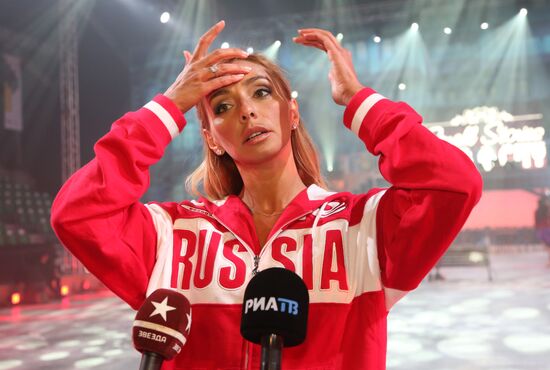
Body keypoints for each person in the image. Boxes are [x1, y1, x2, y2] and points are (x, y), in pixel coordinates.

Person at [51, 20, 482, 370]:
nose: (246, 110)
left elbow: (455, 183)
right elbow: (76, 214)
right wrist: (167, 106)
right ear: (213, 139)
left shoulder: (361, 226)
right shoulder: (171, 232)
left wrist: (357, 100)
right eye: (222, 106)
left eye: (261, 92)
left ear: (291, 112)